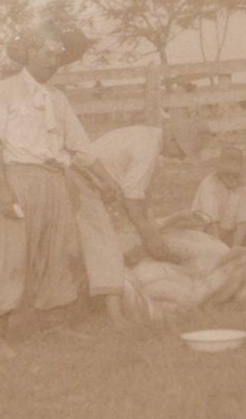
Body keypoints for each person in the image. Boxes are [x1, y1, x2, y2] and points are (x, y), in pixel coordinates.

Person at [0, 25, 122, 358]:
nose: (54, 61)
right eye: (48, 52)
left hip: (56, 180)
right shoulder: (4, 90)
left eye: (58, 55)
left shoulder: (58, 98)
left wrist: (106, 180)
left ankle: (55, 325)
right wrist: (4, 190)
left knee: (58, 253)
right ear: (28, 53)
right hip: (19, 178)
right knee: (9, 253)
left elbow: (80, 147)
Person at [70, 115, 214, 323]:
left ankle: (86, 306)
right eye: (182, 152)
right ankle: (116, 320)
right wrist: (153, 244)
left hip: (85, 182)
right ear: (173, 139)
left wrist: (156, 239)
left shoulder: (147, 140)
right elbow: (131, 203)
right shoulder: (147, 148)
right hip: (82, 182)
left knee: (89, 247)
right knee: (107, 248)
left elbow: (143, 200)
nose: (180, 158)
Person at [191, 146, 246, 248]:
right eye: (228, 174)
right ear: (220, 171)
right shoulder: (209, 185)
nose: (231, 178)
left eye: (235, 175)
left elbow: (242, 221)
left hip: (230, 232)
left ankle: (234, 250)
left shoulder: (242, 184)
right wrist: (219, 248)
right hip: (208, 233)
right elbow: (212, 224)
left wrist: (236, 246)